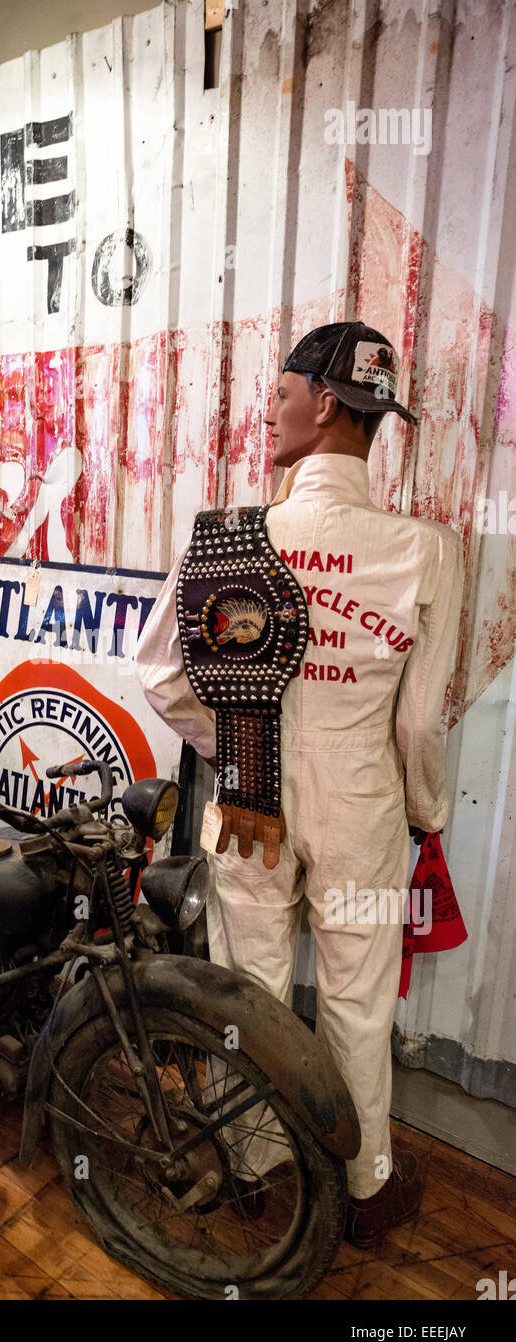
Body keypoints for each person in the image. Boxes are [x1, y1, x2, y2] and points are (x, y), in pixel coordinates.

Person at [136, 321, 463, 1247]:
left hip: (247, 806)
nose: (267, 413)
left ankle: (252, 1161)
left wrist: (240, 749)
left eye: (279, 395)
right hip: (363, 806)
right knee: (359, 1002)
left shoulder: (233, 536)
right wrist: (427, 814)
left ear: (324, 404)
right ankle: (364, 1186)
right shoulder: (424, 550)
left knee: (248, 990)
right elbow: (418, 725)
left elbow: (161, 676)